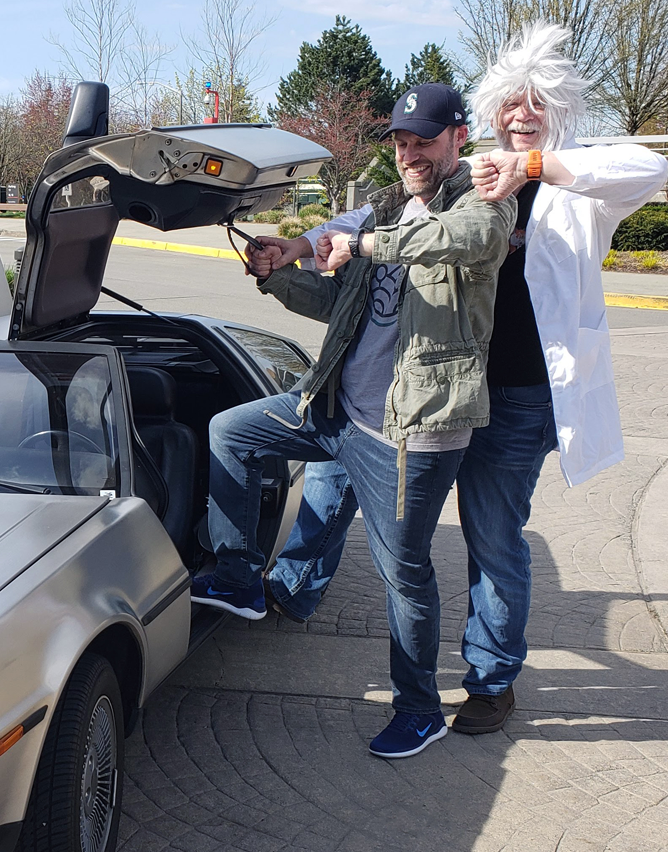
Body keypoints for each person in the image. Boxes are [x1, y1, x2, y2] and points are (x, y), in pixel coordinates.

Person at [252, 23, 668, 736]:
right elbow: (380, 208)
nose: (521, 114)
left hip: (513, 396)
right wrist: (302, 243)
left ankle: (492, 678)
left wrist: (536, 168)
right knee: (339, 472)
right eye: (511, 102)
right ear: (491, 110)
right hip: (430, 384)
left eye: (536, 103)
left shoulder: (581, 183)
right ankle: (293, 587)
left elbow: (652, 171)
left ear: (559, 111)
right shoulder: (471, 169)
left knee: (492, 534)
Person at [192, 82, 516, 759]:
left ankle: (419, 708)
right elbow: (335, 301)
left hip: (411, 431)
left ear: (458, 137)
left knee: (404, 572)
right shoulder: (386, 207)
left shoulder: (485, 201)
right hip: (334, 406)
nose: (408, 153)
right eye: (399, 141)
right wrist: (277, 268)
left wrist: (362, 242)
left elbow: (452, 240)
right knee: (233, 432)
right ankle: (240, 575)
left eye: (422, 140)